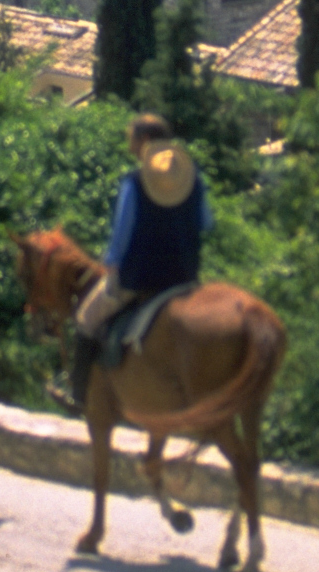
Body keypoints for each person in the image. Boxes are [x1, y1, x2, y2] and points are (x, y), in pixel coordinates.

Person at [64, 114, 213, 412]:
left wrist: (110, 263)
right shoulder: (191, 178)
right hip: (184, 276)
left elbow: (122, 233)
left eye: (131, 136)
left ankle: (77, 394)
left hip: (139, 277)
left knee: (86, 319)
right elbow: (206, 223)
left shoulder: (135, 181)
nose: (128, 142)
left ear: (144, 141)